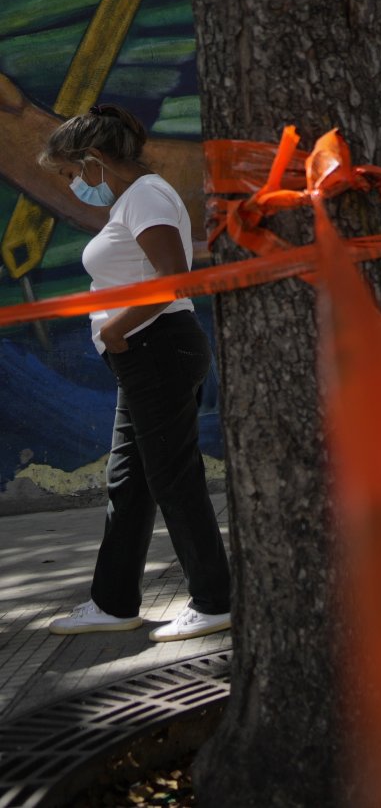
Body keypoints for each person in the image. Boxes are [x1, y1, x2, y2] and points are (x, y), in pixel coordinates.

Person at [41, 106, 232, 642]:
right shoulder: (135, 198)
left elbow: (171, 279)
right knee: (129, 482)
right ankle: (113, 601)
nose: (73, 184)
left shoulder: (145, 196)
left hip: (155, 350)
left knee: (173, 477)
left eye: (72, 172)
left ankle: (216, 599)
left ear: (95, 160)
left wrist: (117, 330)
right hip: (144, 355)